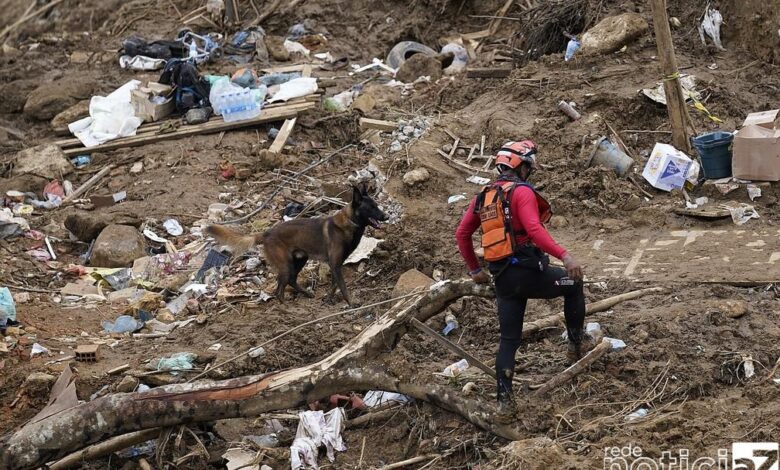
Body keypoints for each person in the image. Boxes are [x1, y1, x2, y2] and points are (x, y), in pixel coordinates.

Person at [455, 140, 588, 412]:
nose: (530, 171)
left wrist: (475, 270)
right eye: (529, 165)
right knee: (574, 283)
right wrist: (565, 255)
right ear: (521, 166)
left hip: (503, 279)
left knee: (509, 340)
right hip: (531, 274)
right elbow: (534, 229)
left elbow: (462, 234)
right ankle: (575, 346)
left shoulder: (484, 195)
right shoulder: (522, 192)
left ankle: (504, 402)